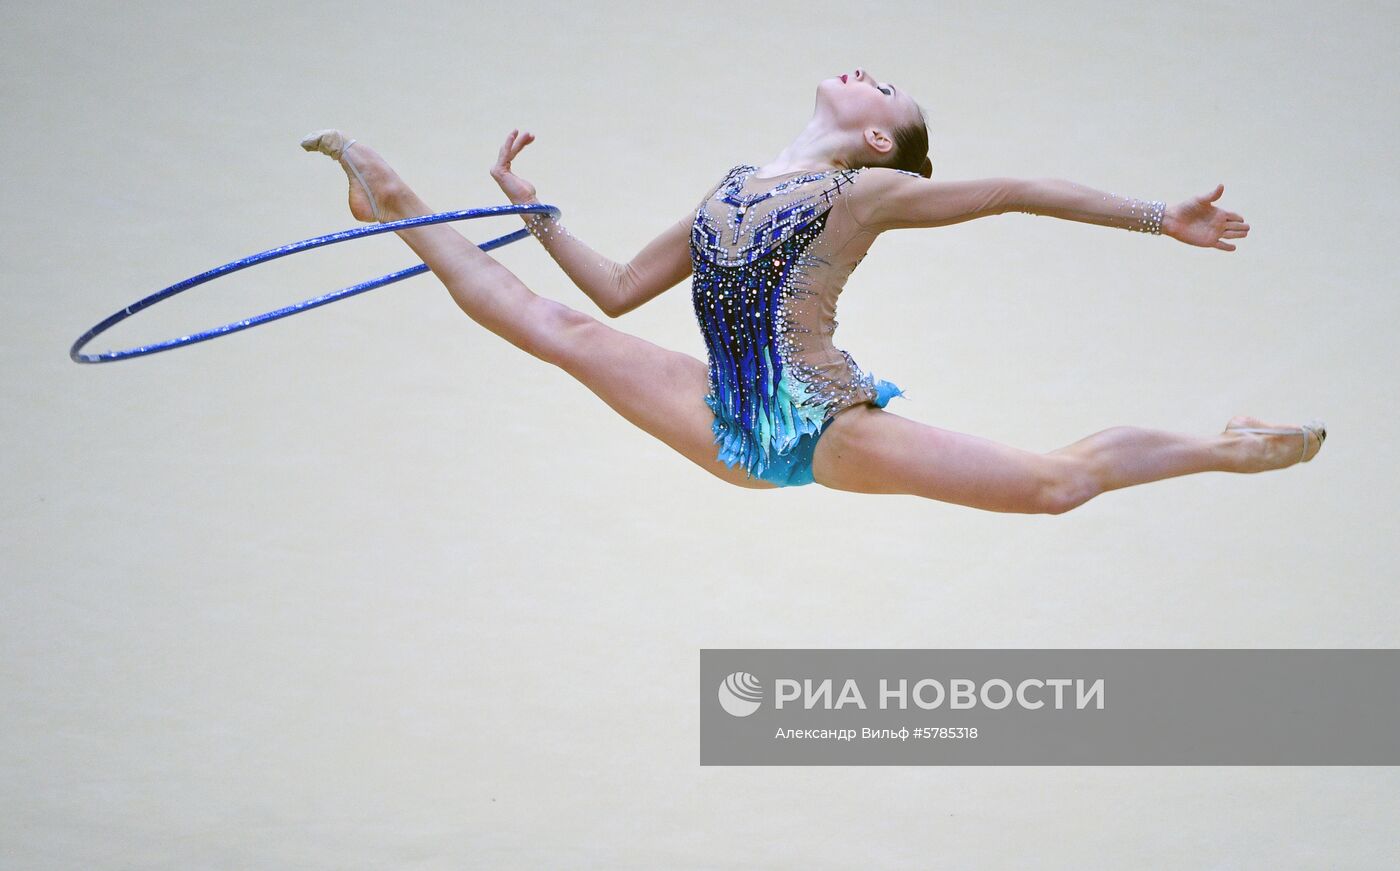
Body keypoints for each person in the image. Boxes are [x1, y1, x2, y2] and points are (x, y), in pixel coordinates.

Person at [300, 67, 1324, 514]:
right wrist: (535, 211)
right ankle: (392, 198)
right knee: (553, 323)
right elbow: (614, 290)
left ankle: (1224, 448)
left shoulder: (865, 190)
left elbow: (1014, 190)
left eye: (882, 86)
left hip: (818, 416)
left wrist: (1159, 216)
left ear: (878, 135)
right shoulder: (733, 188)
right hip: (724, 416)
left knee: (1053, 487)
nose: (864, 73)